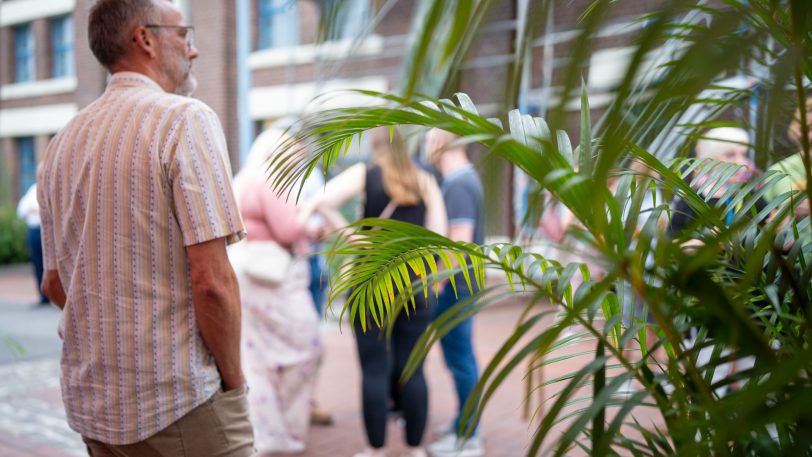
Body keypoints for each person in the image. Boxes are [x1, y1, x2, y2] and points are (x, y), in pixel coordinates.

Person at [36, 1, 255, 455]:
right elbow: (212, 282)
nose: (192, 51)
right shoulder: (184, 120)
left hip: (95, 409)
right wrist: (234, 386)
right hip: (179, 401)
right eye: (184, 35)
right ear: (145, 39)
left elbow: (55, 283)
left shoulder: (59, 147)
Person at [316, 126, 447, 457]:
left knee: (373, 369)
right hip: (415, 282)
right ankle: (415, 448)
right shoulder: (425, 177)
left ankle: (375, 450)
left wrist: (352, 237)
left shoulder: (366, 173)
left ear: (374, 144)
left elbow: (323, 201)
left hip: (371, 280)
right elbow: (440, 234)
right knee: (413, 367)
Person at [231, 127, 325, 454]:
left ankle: (265, 436)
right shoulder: (272, 180)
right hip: (275, 282)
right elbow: (288, 229)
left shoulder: (244, 178)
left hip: (248, 279)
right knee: (309, 348)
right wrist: (314, 224)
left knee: (257, 361)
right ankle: (285, 434)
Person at [424, 128, 486, 457]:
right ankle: (465, 422)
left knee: (461, 359)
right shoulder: (461, 179)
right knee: (458, 358)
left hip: (456, 287)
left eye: (428, 138)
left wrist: (434, 284)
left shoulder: (459, 183)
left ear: (440, 143)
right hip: (460, 285)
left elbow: (458, 242)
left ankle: (469, 435)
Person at [16, 182, 49, 305]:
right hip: (33, 230)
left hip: (45, 230)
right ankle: (43, 295)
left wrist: (35, 210)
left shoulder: (50, 186)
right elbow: (21, 210)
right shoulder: (32, 189)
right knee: (37, 263)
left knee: (49, 263)